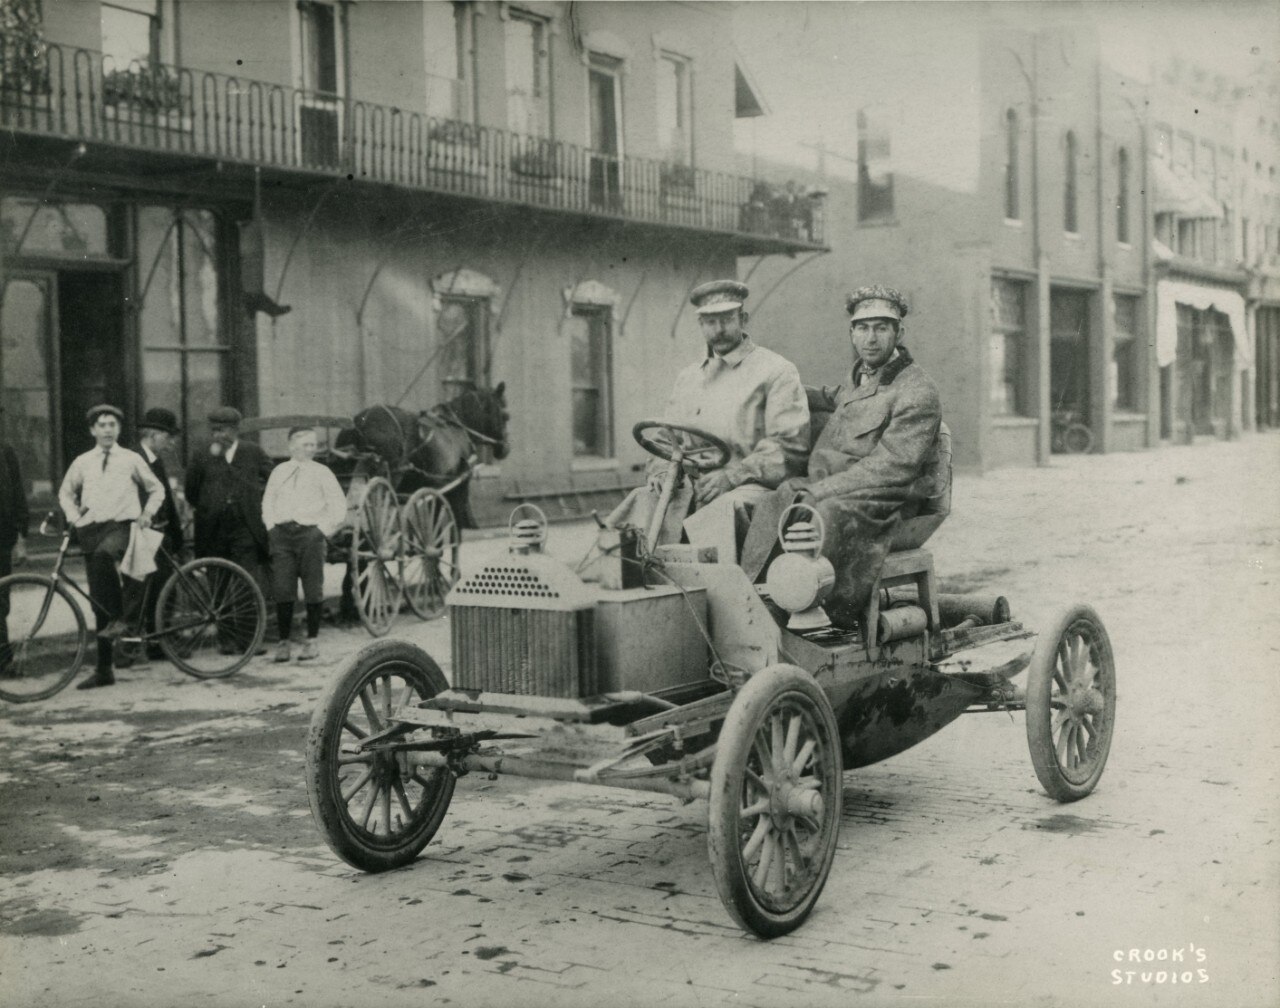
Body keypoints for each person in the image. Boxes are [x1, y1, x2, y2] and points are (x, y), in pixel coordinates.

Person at [771, 284, 942, 631]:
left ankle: (828, 617)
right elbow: (834, 398)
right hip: (847, 486)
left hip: (891, 499)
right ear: (851, 333)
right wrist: (774, 386)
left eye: (881, 327)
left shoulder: (917, 390)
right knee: (775, 497)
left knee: (823, 512)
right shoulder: (861, 377)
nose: (871, 338)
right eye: (862, 328)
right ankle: (769, 601)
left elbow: (893, 466)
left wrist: (825, 489)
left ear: (899, 332)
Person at [608, 279, 809, 552]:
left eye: (727, 319)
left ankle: (713, 591)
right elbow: (667, 438)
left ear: (743, 319)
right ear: (701, 325)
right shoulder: (689, 377)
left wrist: (732, 476)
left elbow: (789, 445)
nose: (719, 330)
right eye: (710, 322)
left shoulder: (775, 371)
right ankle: (639, 583)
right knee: (640, 503)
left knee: (721, 512)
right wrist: (661, 470)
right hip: (692, 485)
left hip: (753, 486)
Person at [58, 404, 165, 689]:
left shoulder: (130, 459)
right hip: (91, 530)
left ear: (118, 430)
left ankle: (120, 619)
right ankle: (104, 670)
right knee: (97, 604)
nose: (107, 430)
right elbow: (65, 493)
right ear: (93, 430)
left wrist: (146, 514)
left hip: (122, 527)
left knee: (106, 555)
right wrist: (74, 518)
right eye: (102, 425)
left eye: (112, 425)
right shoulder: (82, 462)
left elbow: (157, 489)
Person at [261, 426, 346, 662]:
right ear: (292, 446)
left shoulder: (322, 472)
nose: (311, 449)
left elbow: (338, 507)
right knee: (283, 587)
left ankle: (312, 640)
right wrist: (271, 527)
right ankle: (284, 642)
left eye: (313, 445)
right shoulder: (279, 471)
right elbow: (268, 501)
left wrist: (321, 531)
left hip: (311, 535)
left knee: (312, 587)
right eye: (305, 445)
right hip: (282, 535)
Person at [184, 406, 273, 596]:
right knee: (218, 587)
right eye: (214, 430)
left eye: (222, 430)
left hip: (245, 528)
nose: (217, 435)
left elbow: (274, 481)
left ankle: (247, 625)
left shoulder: (253, 452)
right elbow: (191, 491)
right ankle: (224, 626)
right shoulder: (201, 454)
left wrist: (256, 503)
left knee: (246, 584)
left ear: (235, 430)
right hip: (213, 530)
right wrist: (210, 506)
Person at [119, 408, 184, 665]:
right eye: (169, 437)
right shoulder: (132, 459)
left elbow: (165, 499)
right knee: (136, 594)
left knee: (164, 592)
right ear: (154, 435)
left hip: (160, 535)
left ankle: (160, 645)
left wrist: (175, 537)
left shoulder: (155, 459)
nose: (172, 442)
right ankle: (127, 652)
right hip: (140, 535)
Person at [0, 413, 30, 675]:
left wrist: (22, 537)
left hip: (2, 537)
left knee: (0, 600)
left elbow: (18, 493)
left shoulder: (5, 451)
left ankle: (2, 660)